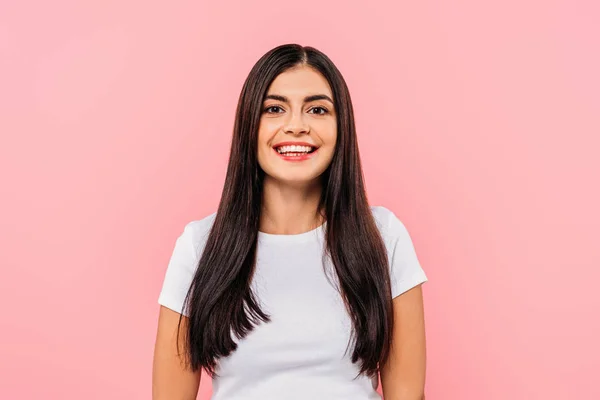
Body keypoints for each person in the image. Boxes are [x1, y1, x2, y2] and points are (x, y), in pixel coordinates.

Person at [152, 43, 428, 400]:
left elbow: (407, 394)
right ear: (249, 124)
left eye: (317, 109)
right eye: (275, 108)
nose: (296, 126)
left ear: (341, 127)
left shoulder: (383, 236)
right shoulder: (200, 245)